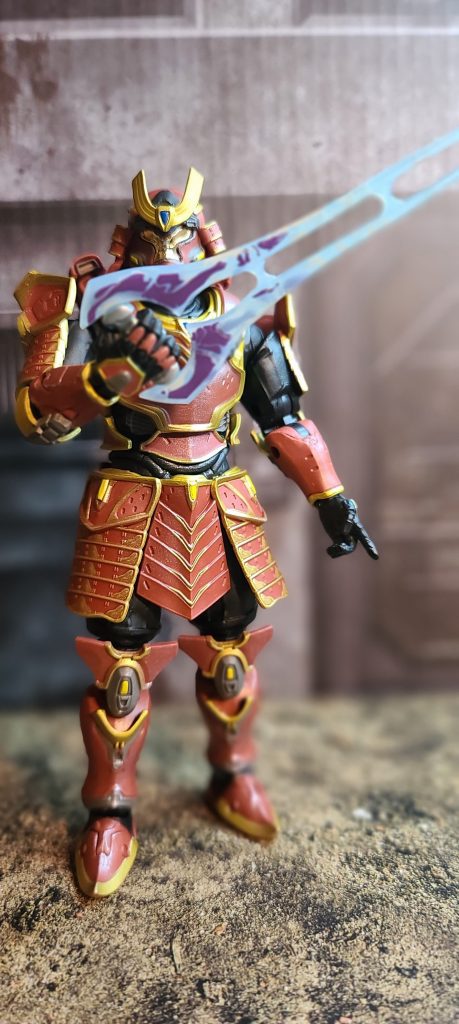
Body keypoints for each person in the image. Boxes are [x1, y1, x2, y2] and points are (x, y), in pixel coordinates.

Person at [14, 167, 378, 898]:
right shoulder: (87, 308)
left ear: (205, 240)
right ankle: (109, 811)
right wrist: (110, 375)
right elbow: (38, 414)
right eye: (153, 241)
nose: (168, 256)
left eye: (179, 240)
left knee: (230, 656)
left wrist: (330, 495)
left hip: (219, 499)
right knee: (120, 670)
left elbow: (283, 420)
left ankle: (232, 773)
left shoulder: (247, 318)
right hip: (130, 499)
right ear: (128, 240)